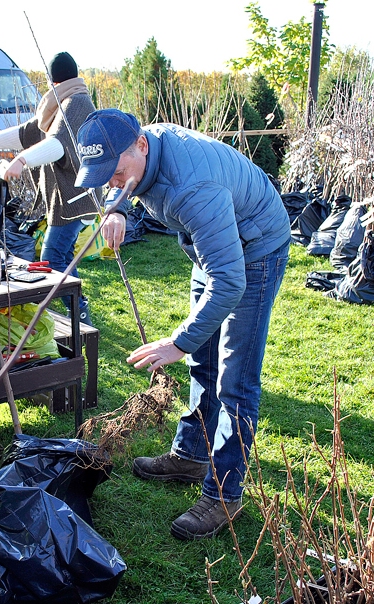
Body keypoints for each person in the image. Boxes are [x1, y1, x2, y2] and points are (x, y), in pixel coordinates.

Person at [75, 109, 291, 540]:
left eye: (115, 172)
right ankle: (192, 454)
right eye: (104, 177)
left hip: (253, 252)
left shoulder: (191, 188)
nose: (112, 182)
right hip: (211, 247)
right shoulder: (136, 154)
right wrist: (116, 209)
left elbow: (229, 282)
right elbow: (116, 180)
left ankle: (224, 496)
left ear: (140, 144)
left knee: (234, 380)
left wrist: (178, 342)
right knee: (204, 365)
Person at [0, 52, 100, 325]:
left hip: (74, 201)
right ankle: (77, 311)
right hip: (71, 200)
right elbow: (31, 131)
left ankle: (80, 314)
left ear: (53, 81)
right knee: (64, 259)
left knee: (51, 260)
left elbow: (57, 144)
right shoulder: (65, 102)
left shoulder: (77, 103)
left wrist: (22, 160)